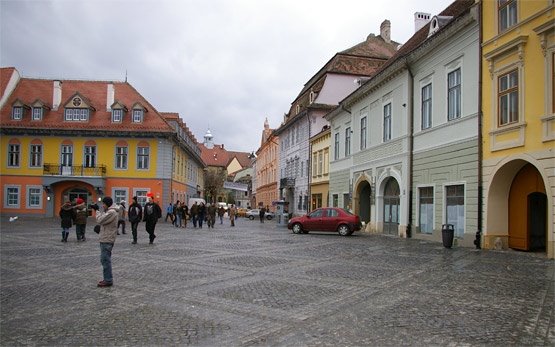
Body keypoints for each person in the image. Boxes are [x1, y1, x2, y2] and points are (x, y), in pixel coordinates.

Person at [94, 196, 119, 287]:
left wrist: (97, 211)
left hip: (107, 239)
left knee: (105, 260)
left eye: (104, 204)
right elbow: (103, 222)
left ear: (107, 204)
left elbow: (100, 220)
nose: (103, 205)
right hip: (105, 237)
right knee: (104, 259)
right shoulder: (110, 212)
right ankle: (107, 279)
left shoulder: (111, 212)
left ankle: (108, 279)